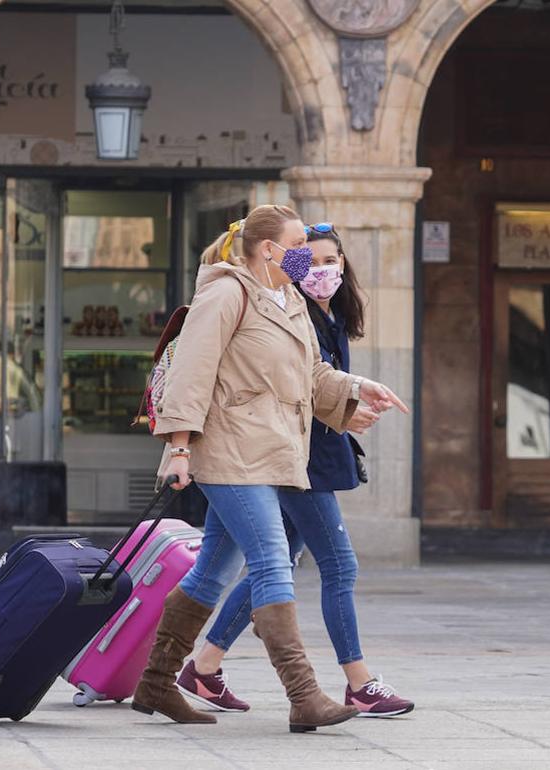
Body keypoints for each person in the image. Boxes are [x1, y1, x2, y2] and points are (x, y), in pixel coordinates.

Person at [130, 204, 409, 734]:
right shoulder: (225, 292)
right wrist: (181, 449)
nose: (307, 255)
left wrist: (354, 389)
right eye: (299, 244)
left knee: (212, 570)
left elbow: (310, 374)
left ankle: (157, 683)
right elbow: (191, 373)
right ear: (268, 250)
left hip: (272, 451)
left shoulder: (288, 300)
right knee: (271, 557)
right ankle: (304, 695)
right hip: (229, 451)